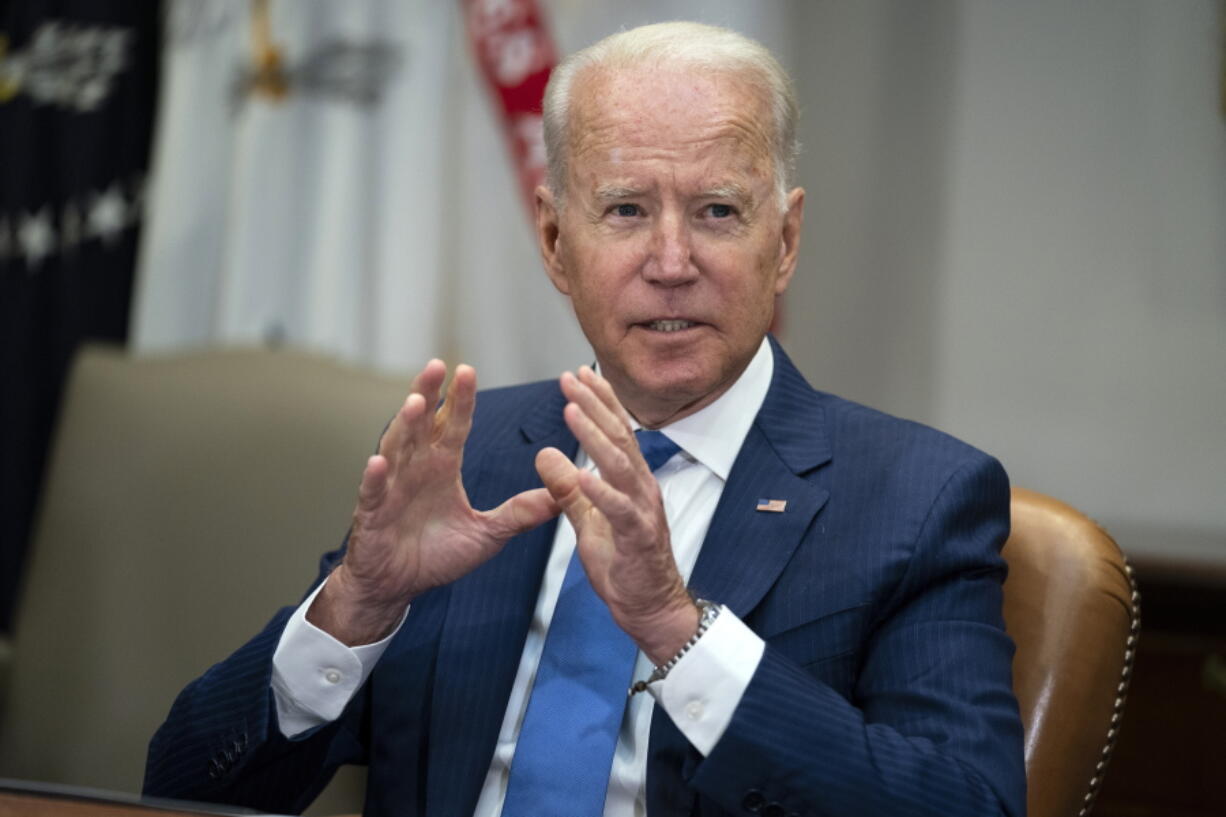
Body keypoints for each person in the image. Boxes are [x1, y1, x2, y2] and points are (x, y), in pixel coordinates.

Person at [144, 21, 1025, 817]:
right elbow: (179, 789)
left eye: (718, 211)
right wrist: (355, 608)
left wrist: (681, 632)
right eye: (627, 210)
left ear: (785, 241)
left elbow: (971, 804)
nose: (672, 262)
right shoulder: (469, 456)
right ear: (557, 241)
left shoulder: (919, 498)